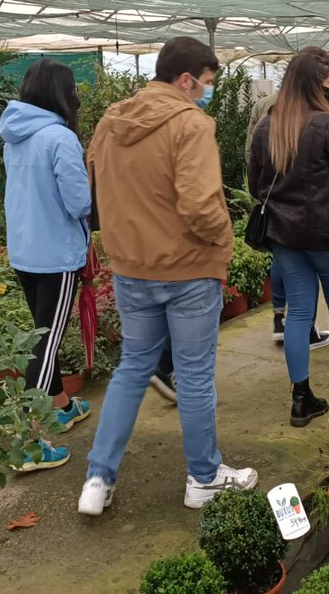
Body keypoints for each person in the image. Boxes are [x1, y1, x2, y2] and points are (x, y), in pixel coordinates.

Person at [78, 37, 256, 516]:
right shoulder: (188, 124)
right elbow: (200, 203)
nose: (205, 93)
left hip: (132, 268)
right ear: (186, 79)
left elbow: (93, 190)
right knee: (195, 376)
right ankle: (203, 477)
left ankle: (98, 477)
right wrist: (223, 238)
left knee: (133, 367)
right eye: (206, 84)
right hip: (188, 269)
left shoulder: (111, 122)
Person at [248, 52, 329, 427]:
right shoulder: (327, 126)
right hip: (326, 233)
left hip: (285, 236)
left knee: (299, 314)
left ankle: (301, 398)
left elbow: (256, 186)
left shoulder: (267, 127)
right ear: (319, 84)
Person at [0, 59, 93, 472]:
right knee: (46, 343)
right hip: (55, 254)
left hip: (25, 251)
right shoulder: (60, 137)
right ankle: (29, 443)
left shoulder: (15, 134)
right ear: (62, 93)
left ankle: (61, 406)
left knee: (42, 333)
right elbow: (79, 203)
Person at [244, 46, 329, 351]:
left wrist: (265, 193)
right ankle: (309, 330)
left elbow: (251, 155)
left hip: (277, 208)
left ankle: (280, 318)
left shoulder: (265, 107)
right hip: (317, 213)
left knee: (282, 263)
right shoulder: (326, 112)